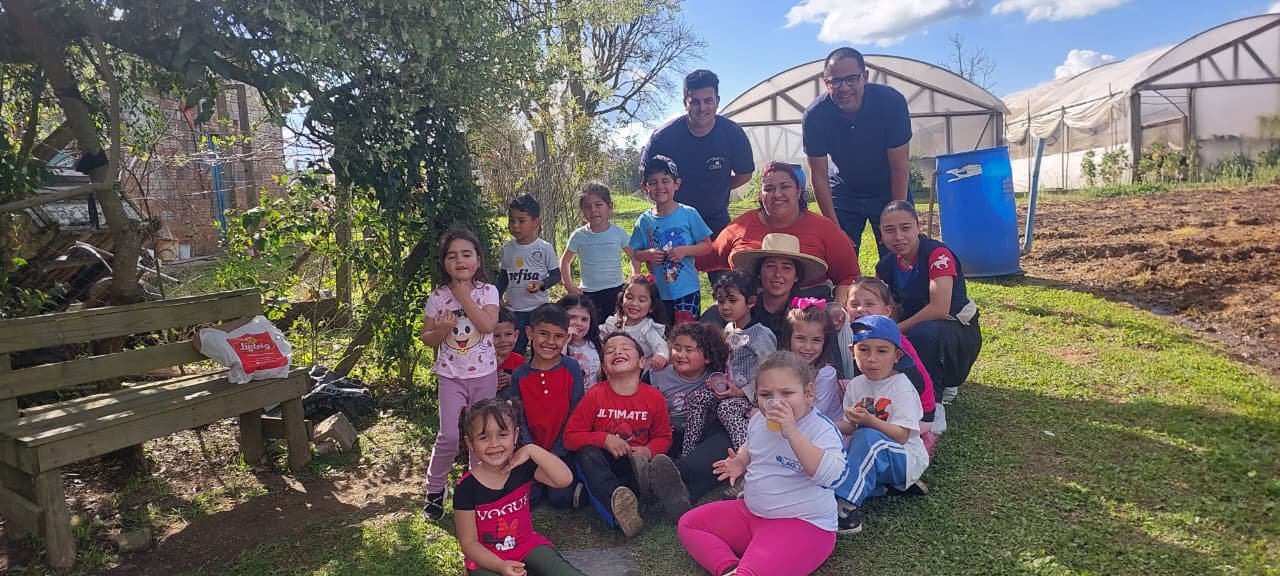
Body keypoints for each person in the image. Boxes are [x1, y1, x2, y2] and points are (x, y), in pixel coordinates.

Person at [677, 351, 845, 576]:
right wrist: (741, 461)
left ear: (809, 393)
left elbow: (832, 476)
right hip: (753, 515)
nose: (776, 402)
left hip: (803, 524)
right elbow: (752, 445)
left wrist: (792, 433)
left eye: (787, 393)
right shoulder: (759, 420)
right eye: (766, 394)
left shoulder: (821, 429)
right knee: (689, 524)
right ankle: (729, 568)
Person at [641, 69, 755, 285]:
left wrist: (718, 187)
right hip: (672, 221)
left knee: (728, 284)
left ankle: (724, 318)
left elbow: (745, 174)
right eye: (695, 102)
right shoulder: (664, 138)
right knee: (669, 285)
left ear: (717, 101)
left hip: (716, 219)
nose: (702, 108)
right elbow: (647, 180)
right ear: (685, 102)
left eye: (708, 101)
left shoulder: (732, 134)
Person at [452, 398, 586, 576]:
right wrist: (500, 565)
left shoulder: (522, 468)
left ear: (515, 435)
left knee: (563, 571)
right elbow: (469, 543)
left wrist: (532, 450)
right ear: (470, 443)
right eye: (484, 437)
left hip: (526, 544)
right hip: (486, 558)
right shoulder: (466, 489)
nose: (494, 444)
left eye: (502, 435)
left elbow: (564, 479)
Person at [421, 229, 501, 522]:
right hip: (450, 376)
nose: (460, 261)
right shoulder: (438, 296)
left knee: (481, 434)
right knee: (450, 435)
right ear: (444, 263)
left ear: (478, 260)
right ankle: (434, 489)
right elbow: (427, 338)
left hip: (484, 375)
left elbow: (488, 324)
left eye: (466, 254)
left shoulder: (487, 292)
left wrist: (465, 297)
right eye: (452, 256)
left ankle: (476, 487)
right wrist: (441, 330)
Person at [803, 47, 912, 260]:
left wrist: (896, 218)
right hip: (843, 192)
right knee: (838, 255)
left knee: (900, 252)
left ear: (865, 77)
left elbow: (899, 166)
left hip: (886, 186)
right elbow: (818, 175)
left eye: (851, 79)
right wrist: (834, 229)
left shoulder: (891, 104)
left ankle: (901, 292)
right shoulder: (815, 116)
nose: (844, 87)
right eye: (835, 81)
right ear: (826, 83)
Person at [563, 333, 673, 538]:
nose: (617, 352)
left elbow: (664, 437)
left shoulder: (653, 396)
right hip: (602, 461)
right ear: (604, 368)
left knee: (654, 465)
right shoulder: (595, 394)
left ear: (642, 362)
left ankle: (639, 493)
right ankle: (619, 512)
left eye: (624, 348)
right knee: (587, 454)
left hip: (634, 461)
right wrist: (604, 439)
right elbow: (570, 437)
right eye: (610, 351)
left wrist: (648, 451)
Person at [706, 161, 859, 302]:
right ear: (761, 195)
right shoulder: (740, 227)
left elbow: (849, 276)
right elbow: (704, 258)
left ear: (798, 191)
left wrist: (838, 312)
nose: (777, 194)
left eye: (785, 186)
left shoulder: (825, 228)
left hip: (809, 309)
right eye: (769, 189)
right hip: (752, 307)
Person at [876, 200, 981, 404]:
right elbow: (885, 307)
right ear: (881, 233)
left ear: (918, 227)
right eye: (889, 230)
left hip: (953, 332)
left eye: (905, 228)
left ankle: (936, 393)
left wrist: (894, 330)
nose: (898, 236)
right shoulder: (885, 266)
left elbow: (939, 309)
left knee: (923, 332)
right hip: (911, 328)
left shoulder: (937, 255)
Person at [832, 316, 930, 534]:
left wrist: (869, 421)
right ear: (852, 351)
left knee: (867, 437)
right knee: (849, 445)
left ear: (897, 356)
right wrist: (823, 424)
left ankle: (846, 509)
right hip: (878, 454)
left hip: (905, 456)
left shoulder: (901, 387)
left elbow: (902, 435)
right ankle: (883, 486)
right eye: (864, 350)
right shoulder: (856, 385)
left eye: (882, 351)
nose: (872, 359)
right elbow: (850, 427)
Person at [647, 322, 735, 521]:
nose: (680, 354)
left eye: (689, 350)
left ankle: (673, 478)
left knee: (718, 447)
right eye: (677, 348)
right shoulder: (657, 376)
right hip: (672, 432)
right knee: (668, 450)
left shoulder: (714, 377)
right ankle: (680, 490)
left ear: (707, 357)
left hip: (703, 433)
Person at [681, 272, 774, 458]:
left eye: (732, 300)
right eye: (721, 301)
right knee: (699, 397)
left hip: (753, 398)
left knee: (727, 408)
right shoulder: (729, 328)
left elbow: (770, 371)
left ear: (751, 301)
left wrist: (743, 392)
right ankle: (686, 455)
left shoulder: (761, 334)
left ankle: (747, 457)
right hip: (729, 390)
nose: (725, 307)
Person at [505, 303, 586, 508]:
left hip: (563, 450)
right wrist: (532, 452)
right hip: (530, 451)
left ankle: (577, 485)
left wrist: (557, 451)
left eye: (558, 336)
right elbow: (519, 420)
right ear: (529, 333)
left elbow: (576, 411)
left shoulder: (571, 367)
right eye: (543, 334)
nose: (550, 342)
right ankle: (536, 482)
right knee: (526, 499)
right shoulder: (519, 376)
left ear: (566, 338)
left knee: (561, 497)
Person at [845, 277, 940, 447]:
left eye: (869, 304)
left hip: (917, 414)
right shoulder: (860, 336)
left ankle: (923, 437)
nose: (861, 309)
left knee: (865, 437)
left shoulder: (893, 341)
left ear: (887, 310)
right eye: (854, 304)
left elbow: (916, 384)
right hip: (881, 405)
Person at [629, 155, 713, 324]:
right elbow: (635, 253)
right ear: (645, 188)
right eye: (653, 182)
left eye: (665, 180)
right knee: (662, 335)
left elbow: (707, 246)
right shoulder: (644, 220)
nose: (659, 186)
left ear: (677, 184)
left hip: (686, 290)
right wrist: (648, 254)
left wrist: (685, 250)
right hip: (658, 292)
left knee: (687, 335)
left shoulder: (689, 214)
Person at [560, 183, 640, 320]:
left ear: (609, 207)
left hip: (617, 291)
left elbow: (633, 256)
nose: (593, 210)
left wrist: (633, 278)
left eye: (598, 205)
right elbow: (565, 261)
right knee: (593, 329)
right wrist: (569, 286)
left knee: (616, 325)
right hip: (589, 293)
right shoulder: (579, 236)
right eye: (587, 207)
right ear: (582, 212)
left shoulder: (618, 232)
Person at [500, 194, 561, 356]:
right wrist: (496, 298)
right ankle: (512, 377)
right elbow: (503, 277)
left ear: (536, 223)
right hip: (515, 310)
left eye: (521, 220)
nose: (515, 226)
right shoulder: (508, 249)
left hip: (538, 309)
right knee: (515, 349)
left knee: (540, 348)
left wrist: (542, 284)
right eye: (512, 220)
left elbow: (556, 275)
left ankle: (538, 376)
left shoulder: (544, 248)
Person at [599, 274, 671, 371]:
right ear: (621, 300)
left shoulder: (647, 328)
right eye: (629, 297)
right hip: (616, 370)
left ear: (651, 307)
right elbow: (597, 338)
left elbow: (661, 346)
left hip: (641, 375)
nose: (634, 303)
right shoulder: (614, 323)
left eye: (641, 300)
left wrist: (661, 356)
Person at [787, 298, 842, 424]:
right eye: (800, 338)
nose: (807, 347)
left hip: (823, 430)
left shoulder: (826, 374)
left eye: (816, 340)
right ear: (789, 337)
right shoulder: (784, 368)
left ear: (825, 342)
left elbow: (815, 414)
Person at [557, 294, 604, 388]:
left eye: (584, 319)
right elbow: (557, 372)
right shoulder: (553, 345)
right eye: (572, 317)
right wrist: (563, 341)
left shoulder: (595, 344)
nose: (579, 323)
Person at [494, 308, 525, 395]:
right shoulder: (480, 362)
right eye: (496, 336)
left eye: (508, 334)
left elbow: (527, 384)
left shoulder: (518, 360)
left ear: (516, 335)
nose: (503, 340)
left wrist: (512, 380)